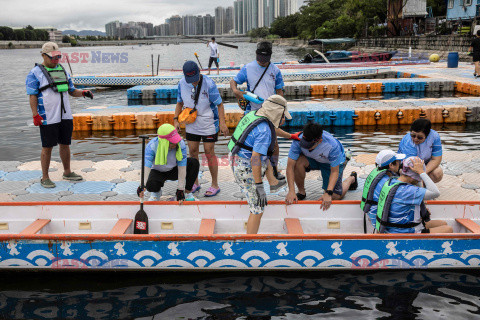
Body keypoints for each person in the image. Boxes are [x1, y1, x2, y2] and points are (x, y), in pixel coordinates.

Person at [26, 42, 93, 188]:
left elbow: (71, 90)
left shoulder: (63, 70)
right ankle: (45, 177)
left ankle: (67, 172)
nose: (57, 60)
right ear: (44, 55)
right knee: (47, 146)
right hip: (47, 116)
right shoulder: (34, 73)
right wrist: (35, 115)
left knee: (65, 144)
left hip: (65, 115)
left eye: (59, 57)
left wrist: (83, 93)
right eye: (53, 58)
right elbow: (32, 96)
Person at [230, 41, 297, 181]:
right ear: (256, 55)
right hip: (251, 111)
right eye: (260, 60)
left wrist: (282, 112)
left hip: (271, 112)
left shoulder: (275, 70)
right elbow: (233, 81)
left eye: (265, 60)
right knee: (249, 143)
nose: (262, 63)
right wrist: (236, 91)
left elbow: (279, 91)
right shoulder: (248, 68)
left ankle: (274, 169)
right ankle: (251, 170)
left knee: (274, 144)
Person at [229, 95, 292, 234]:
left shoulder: (254, 114)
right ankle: (250, 241)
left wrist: (291, 136)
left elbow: (273, 129)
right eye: (282, 115)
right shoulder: (263, 132)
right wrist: (259, 187)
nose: (283, 119)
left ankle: (273, 181)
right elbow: (255, 159)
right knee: (257, 208)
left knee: (267, 152)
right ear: (276, 113)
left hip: (235, 156)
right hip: (245, 167)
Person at [173, 61, 228, 197]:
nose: (194, 82)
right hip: (191, 122)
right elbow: (179, 102)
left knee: (209, 152)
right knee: (192, 152)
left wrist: (222, 123)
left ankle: (215, 184)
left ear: (199, 72)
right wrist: (175, 120)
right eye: (190, 80)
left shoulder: (209, 84)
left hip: (208, 122)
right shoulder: (181, 84)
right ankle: (195, 183)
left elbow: (220, 104)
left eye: (195, 78)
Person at [285, 122, 357, 211]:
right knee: (296, 162)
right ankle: (301, 192)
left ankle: (351, 178)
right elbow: (290, 167)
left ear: (319, 141)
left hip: (329, 164)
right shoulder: (298, 139)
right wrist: (291, 191)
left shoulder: (332, 146)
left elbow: (334, 171)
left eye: (309, 146)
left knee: (335, 196)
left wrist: (328, 193)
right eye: (304, 144)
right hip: (313, 159)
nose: (306, 147)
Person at [375, 156, 452, 234]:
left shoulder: (392, 181)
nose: (419, 181)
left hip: (392, 228)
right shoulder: (409, 191)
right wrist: (421, 172)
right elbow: (436, 193)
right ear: (414, 176)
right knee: (448, 229)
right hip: (404, 232)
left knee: (443, 223)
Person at [139, 124, 200, 202]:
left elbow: (182, 166)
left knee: (193, 162)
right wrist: (142, 186)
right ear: (163, 141)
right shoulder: (152, 146)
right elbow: (146, 167)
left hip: (174, 169)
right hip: (158, 171)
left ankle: (187, 192)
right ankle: (156, 193)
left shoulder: (180, 144)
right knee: (151, 185)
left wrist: (180, 189)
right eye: (172, 142)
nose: (175, 144)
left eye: (176, 140)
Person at [361, 149, 405, 229]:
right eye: (398, 162)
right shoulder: (390, 184)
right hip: (380, 221)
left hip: (373, 215)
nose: (400, 164)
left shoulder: (377, 175)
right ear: (391, 165)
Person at [398, 118, 443, 183]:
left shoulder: (434, 136)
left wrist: (423, 173)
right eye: (413, 135)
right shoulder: (408, 141)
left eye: (420, 137)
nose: (415, 139)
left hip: (423, 164)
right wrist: (421, 175)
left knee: (437, 173)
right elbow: (412, 167)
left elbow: (436, 159)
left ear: (427, 135)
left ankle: (423, 185)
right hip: (407, 166)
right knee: (411, 178)